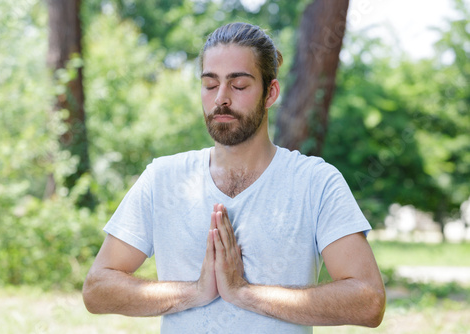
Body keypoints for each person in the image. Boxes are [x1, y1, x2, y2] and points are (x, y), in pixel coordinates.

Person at [82, 22, 386, 333]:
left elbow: (369, 300)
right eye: (210, 85)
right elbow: (97, 290)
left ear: (271, 93)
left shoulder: (316, 182)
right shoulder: (162, 179)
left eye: (238, 85)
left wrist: (244, 293)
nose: (221, 99)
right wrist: (196, 292)